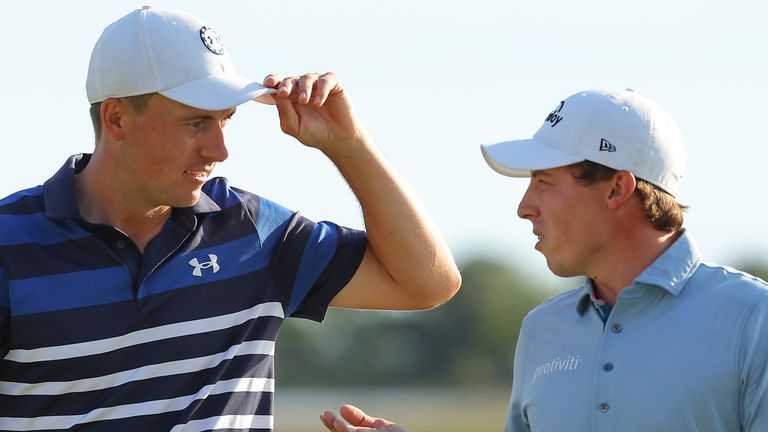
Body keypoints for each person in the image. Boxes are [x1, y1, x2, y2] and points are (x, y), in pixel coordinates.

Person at [0, 6, 461, 431]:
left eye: (225, 121)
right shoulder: (8, 243)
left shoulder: (253, 231)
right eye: (195, 123)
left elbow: (427, 283)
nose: (219, 150)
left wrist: (350, 145)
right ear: (117, 119)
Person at [321, 88, 768, 431]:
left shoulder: (753, 318)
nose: (524, 206)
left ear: (617, 188)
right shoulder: (542, 329)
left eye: (544, 182)